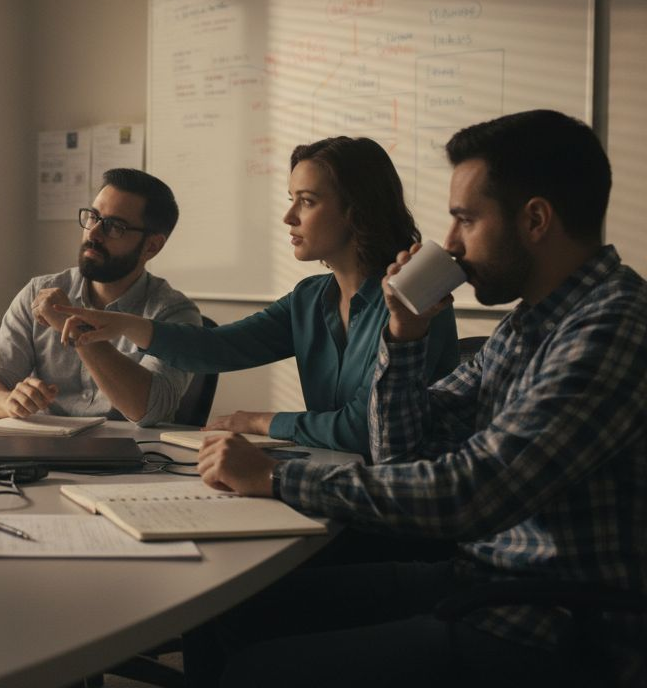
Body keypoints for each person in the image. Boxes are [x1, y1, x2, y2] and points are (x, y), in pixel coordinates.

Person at [184, 110, 646, 686]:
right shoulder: (531, 324)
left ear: (534, 220)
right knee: (220, 610)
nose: (448, 243)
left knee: (258, 672)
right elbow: (401, 455)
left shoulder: (612, 327)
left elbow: (470, 493)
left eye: (466, 220)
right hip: (481, 580)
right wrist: (404, 337)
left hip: (550, 623)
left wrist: (277, 477)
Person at [59, 137, 458, 455]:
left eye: (307, 201)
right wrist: (124, 324)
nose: (289, 218)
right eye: (291, 200)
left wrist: (258, 421)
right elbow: (218, 349)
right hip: (329, 480)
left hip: (394, 504)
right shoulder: (310, 298)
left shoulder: (415, 303)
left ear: (356, 210)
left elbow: (363, 428)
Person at [0, 168, 202, 426]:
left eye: (114, 226)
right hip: (41, 453)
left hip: (132, 458)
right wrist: (8, 401)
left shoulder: (174, 314)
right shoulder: (39, 292)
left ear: (151, 246)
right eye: (93, 217)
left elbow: (148, 409)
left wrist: (76, 330)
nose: (94, 233)